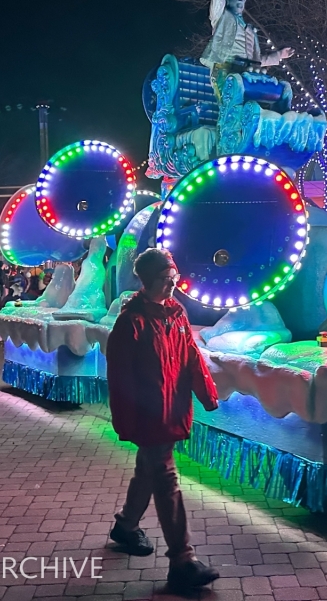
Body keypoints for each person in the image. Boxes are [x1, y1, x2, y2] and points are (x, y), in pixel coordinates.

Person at [106, 248, 220, 593]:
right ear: (147, 280)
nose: (172, 285)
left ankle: (126, 526)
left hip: (173, 410)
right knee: (166, 478)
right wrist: (127, 422)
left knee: (149, 470)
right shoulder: (131, 322)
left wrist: (206, 393)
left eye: (174, 279)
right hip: (148, 417)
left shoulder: (175, 313)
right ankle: (182, 561)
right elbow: (120, 378)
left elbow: (190, 355)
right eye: (165, 280)